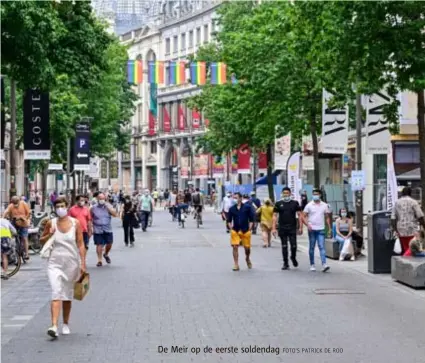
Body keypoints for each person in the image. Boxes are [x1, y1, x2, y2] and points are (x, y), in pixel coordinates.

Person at [40, 197, 86, 338]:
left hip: (71, 263)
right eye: (58, 206)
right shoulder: (51, 223)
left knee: (67, 295)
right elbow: (41, 240)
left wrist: (83, 262)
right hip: (54, 263)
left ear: (67, 207)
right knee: (56, 292)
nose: (60, 208)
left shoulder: (75, 223)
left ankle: (65, 323)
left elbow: (80, 243)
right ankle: (54, 326)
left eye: (62, 206)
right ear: (55, 208)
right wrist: (50, 234)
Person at [272, 188, 303, 269]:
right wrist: (274, 228)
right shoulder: (278, 203)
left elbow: (300, 215)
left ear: (290, 194)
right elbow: (274, 216)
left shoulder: (295, 203)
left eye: (287, 193)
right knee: (284, 246)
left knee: (293, 246)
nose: (285, 194)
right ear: (282, 194)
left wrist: (300, 227)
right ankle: (285, 263)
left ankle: (293, 257)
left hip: (292, 227)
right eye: (284, 193)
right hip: (282, 227)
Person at [303, 189, 331, 272]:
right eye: (314, 194)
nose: (315, 195)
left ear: (320, 195)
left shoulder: (325, 205)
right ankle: (312, 264)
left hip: (321, 229)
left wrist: (329, 228)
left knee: (321, 246)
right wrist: (307, 224)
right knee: (312, 247)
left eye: (317, 194)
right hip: (312, 229)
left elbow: (327, 217)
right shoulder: (309, 205)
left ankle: (324, 264)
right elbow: (303, 216)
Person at [391, 186, 425, 255]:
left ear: (402, 193)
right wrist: (424, 226)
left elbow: (393, 218)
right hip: (412, 230)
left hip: (401, 230)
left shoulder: (397, 203)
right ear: (410, 193)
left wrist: (395, 229)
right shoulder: (413, 202)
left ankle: (405, 261)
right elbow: (420, 216)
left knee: (405, 248)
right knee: (412, 248)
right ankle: (407, 259)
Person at [227, 192, 255, 271]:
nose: (235, 199)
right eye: (234, 198)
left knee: (247, 248)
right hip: (235, 230)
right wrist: (230, 227)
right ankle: (236, 264)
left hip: (245, 230)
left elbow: (251, 219)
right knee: (235, 246)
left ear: (241, 198)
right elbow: (229, 220)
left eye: (236, 198)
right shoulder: (232, 208)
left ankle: (247, 258)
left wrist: (250, 227)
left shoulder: (247, 207)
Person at [91, 193, 117, 267]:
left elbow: (115, 214)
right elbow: (90, 218)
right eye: (100, 199)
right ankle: (99, 260)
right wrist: (91, 227)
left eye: (103, 199)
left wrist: (108, 208)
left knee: (109, 243)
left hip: (107, 228)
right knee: (99, 244)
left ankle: (105, 254)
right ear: (97, 199)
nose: (102, 200)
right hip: (97, 229)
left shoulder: (108, 206)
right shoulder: (93, 208)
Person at [3, 196, 31, 260]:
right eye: (14, 204)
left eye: (16, 204)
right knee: (11, 236)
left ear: (19, 201)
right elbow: (6, 212)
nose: (15, 205)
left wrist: (25, 218)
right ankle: (12, 251)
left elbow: (29, 213)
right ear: (12, 203)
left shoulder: (23, 204)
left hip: (23, 223)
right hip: (14, 223)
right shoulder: (11, 206)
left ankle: (27, 254)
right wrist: (2, 218)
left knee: (24, 238)